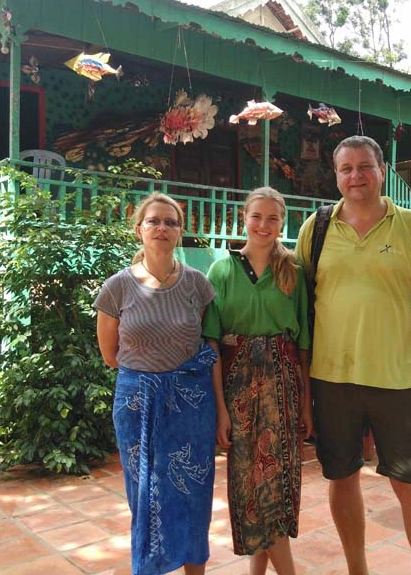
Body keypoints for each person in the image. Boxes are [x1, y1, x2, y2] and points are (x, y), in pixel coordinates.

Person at [295, 136, 411, 575]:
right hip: (331, 379)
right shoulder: (318, 227)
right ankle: (357, 570)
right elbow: (295, 297)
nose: (355, 176)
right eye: (346, 169)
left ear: (382, 170)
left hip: (395, 380)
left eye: (365, 167)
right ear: (336, 175)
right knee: (341, 478)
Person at [94, 192, 217, 575]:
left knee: (193, 493)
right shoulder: (117, 287)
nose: (162, 228)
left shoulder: (198, 284)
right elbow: (110, 355)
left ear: (181, 232)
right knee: (145, 495)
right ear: (139, 229)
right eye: (154, 221)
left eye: (171, 222)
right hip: (138, 404)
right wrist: (151, 376)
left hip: (192, 406)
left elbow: (208, 344)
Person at [203, 187, 313, 575]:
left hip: (282, 385)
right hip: (238, 388)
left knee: (277, 489)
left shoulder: (294, 272)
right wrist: (220, 410)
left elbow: (303, 346)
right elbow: (211, 346)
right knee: (250, 487)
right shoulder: (222, 270)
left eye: (273, 218)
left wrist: (306, 403)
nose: (264, 225)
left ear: (282, 222)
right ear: (243, 217)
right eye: (257, 216)